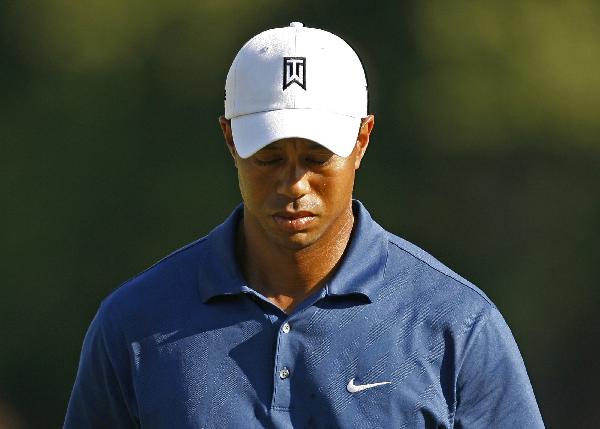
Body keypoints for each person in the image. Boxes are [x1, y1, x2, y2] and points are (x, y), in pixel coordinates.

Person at [64, 22, 544, 428]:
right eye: (268, 158)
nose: (294, 184)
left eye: (317, 158)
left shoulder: (456, 325)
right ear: (230, 139)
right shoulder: (133, 324)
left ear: (362, 139)